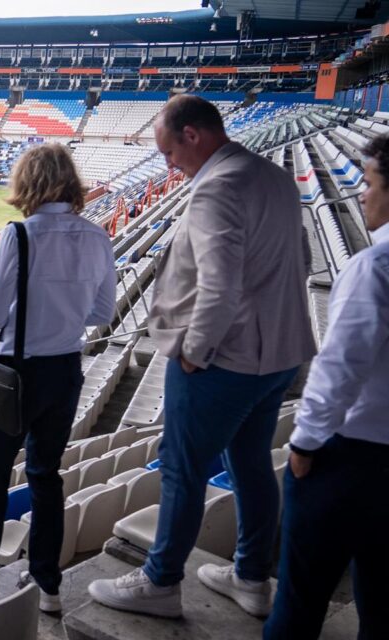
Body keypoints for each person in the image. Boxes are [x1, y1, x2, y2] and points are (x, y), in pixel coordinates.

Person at [89, 94, 316, 618]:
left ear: (193, 135)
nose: (169, 165)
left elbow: (219, 286)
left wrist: (193, 351)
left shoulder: (218, 187)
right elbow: (300, 259)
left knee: (181, 468)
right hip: (278, 355)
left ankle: (161, 582)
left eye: (170, 153)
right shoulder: (274, 176)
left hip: (226, 360)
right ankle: (251, 576)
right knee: (251, 463)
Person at [0, 143, 117, 614]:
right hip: (65, 370)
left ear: (28, 184)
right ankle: (47, 584)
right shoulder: (97, 237)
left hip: (16, 372)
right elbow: (102, 312)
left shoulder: (18, 237)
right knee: (45, 476)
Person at [263, 135, 389, 640]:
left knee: (299, 601)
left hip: (352, 461)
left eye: (372, 182)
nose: (361, 193)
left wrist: (304, 443)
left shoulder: (374, 269)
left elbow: (338, 370)